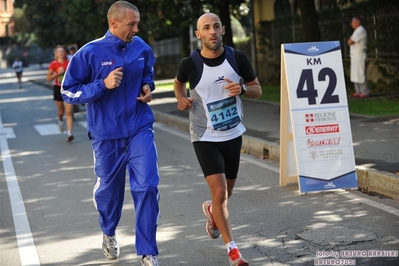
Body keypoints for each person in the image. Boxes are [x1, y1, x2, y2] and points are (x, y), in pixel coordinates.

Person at [60, 1, 160, 265]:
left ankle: (147, 251)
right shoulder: (89, 53)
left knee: (148, 185)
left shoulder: (142, 48)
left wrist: (148, 86)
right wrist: (101, 85)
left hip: (139, 128)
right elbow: (68, 91)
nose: (137, 28)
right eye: (132, 24)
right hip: (106, 136)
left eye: (137, 23)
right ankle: (108, 232)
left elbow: (148, 71)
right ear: (113, 23)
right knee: (109, 195)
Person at [174, 12, 262, 266]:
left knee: (226, 195)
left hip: (233, 133)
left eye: (215, 27)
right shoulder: (189, 63)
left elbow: (257, 89)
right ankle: (233, 251)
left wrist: (244, 88)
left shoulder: (237, 58)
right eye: (206, 28)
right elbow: (178, 84)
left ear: (223, 30)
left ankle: (213, 211)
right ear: (198, 34)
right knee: (220, 192)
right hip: (204, 135)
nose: (211, 32)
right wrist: (181, 98)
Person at [46, 45, 75, 142]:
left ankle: (69, 133)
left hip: (69, 88)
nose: (61, 53)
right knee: (61, 112)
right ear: (56, 54)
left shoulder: (70, 62)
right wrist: (57, 73)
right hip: (58, 89)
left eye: (63, 51)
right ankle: (60, 121)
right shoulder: (53, 64)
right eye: (59, 51)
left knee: (68, 112)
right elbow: (48, 78)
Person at [347, 16, 369, 98]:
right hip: (355, 55)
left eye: (353, 22)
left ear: (357, 22)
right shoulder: (356, 31)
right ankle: (358, 91)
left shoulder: (360, 30)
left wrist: (349, 41)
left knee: (360, 73)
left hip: (359, 54)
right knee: (355, 73)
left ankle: (364, 91)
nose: (351, 24)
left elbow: (350, 41)